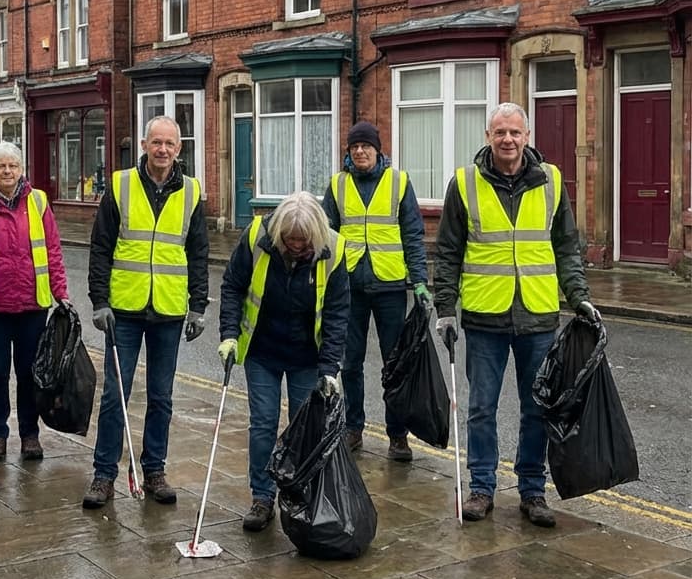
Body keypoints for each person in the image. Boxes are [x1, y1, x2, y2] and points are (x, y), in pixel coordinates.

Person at [433, 102, 598, 529]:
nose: (508, 139)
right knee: (481, 408)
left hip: (539, 315)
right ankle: (482, 488)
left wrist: (578, 296)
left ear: (527, 136)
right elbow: (448, 252)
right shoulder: (465, 184)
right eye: (500, 132)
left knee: (536, 408)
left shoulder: (552, 180)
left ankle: (532, 490)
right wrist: (445, 308)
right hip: (485, 315)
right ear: (488, 136)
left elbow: (566, 246)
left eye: (515, 132)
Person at [83, 116, 209, 509]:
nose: (162, 150)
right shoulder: (120, 186)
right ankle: (104, 474)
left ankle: (154, 469)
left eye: (169, 143)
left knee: (162, 396)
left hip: (169, 309)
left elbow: (198, 252)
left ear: (179, 148)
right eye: (156, 142)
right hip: (124, 308)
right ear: (143, 144)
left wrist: (199, 306)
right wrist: (99, 300)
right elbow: (100, 247)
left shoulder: (191, 192)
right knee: (114, 396)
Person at [219, 191, 349, 531]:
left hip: (308, 355)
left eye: (303, 243)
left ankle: (298, 494)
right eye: (289, 241)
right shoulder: (256, 239)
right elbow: (233, 286)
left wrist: (330, 368)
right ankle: (262, 498)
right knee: (263, 423)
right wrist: (229, 334)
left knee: (303, 429)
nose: (296, 248)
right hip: (263, 350)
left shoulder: (333, 249)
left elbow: (337, 313)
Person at [322, 120, 431, 462]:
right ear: (349, 151)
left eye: (365, 146)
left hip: (390, 286)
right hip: (349, 287)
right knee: (349, 362)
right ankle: (354, 428)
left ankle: (398, 435)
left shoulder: (398, 183)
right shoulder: (337, 185)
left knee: (394, 363)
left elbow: (413, 234)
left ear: (377, 149)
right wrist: (322, 280)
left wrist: (420, 281)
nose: (360, 152)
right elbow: (325, 235)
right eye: (354, 147)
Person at [0, 142, 69, 463]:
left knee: (29, 373)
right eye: (1, 167)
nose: (8, 171)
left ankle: (29, 435)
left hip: (33, 305)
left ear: (21, 169)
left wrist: (61, 294)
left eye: (13, 166)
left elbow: (53, 251)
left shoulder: (37, 201)